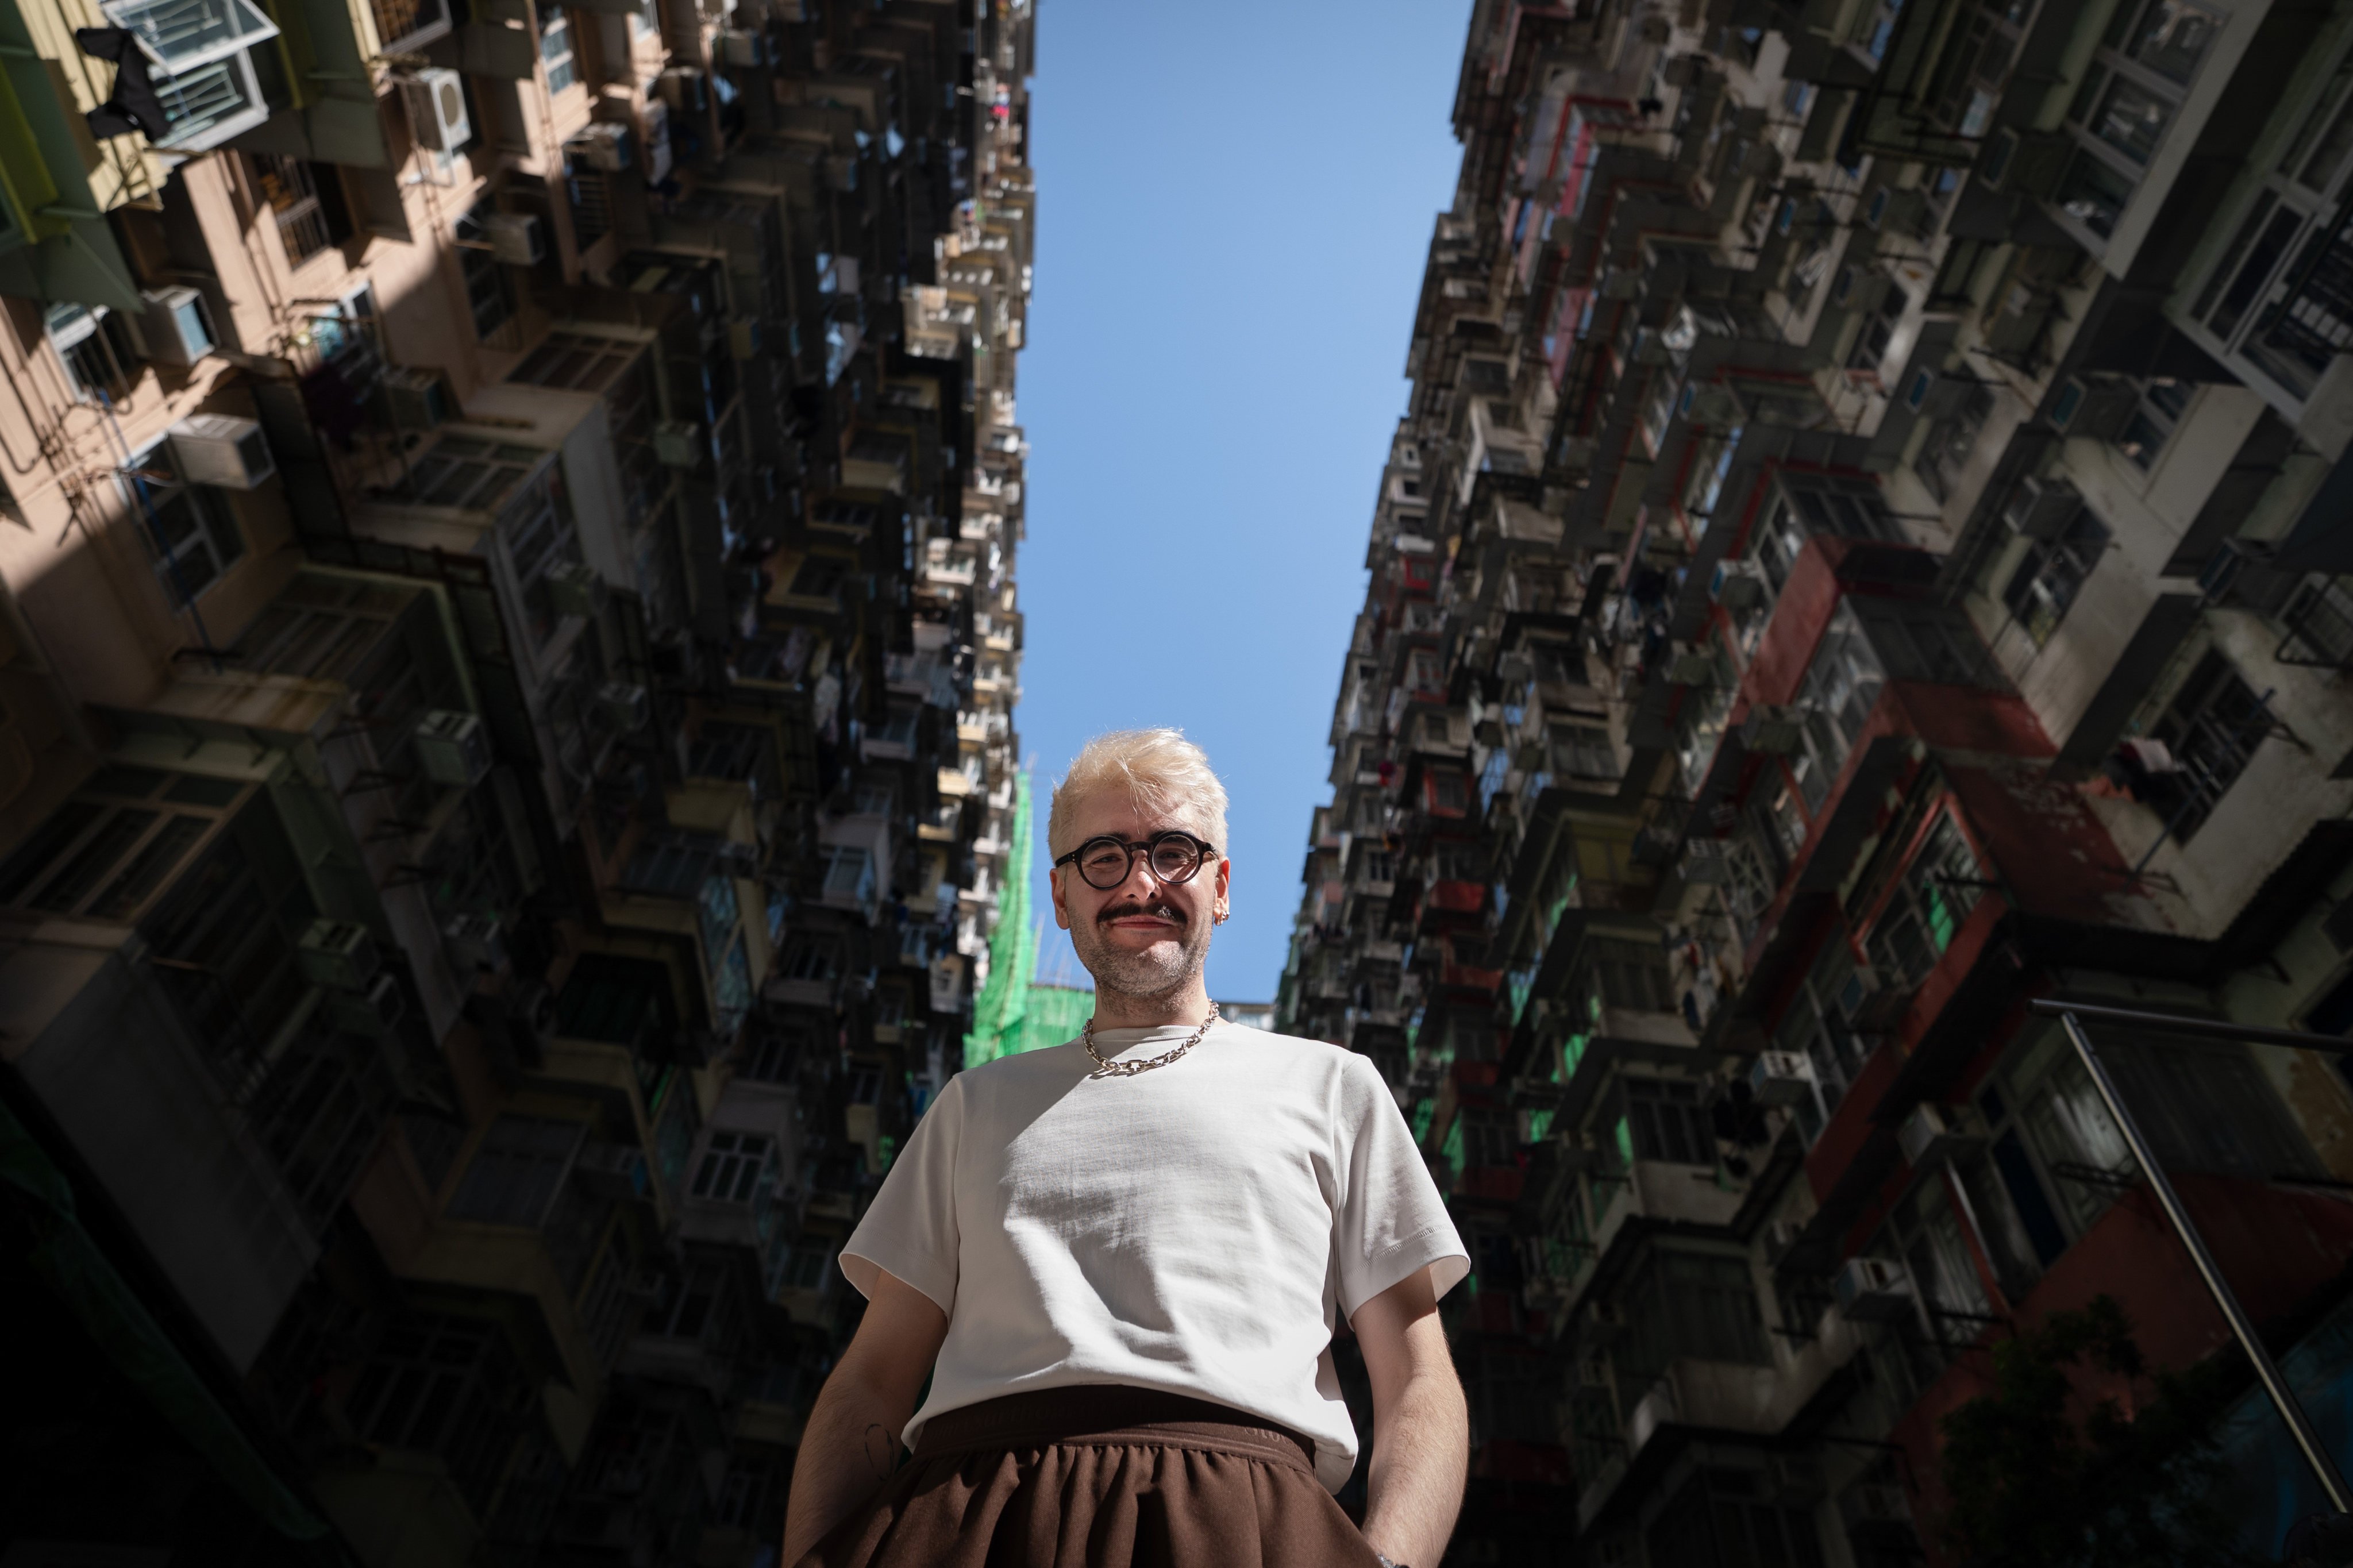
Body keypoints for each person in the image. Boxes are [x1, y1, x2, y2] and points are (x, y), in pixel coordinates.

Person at [782, 729, 1469, 1568]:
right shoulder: (972, 1105)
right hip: (965, 1518)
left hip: (1250, 1522)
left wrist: (1393, 1563)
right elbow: (871, 1380)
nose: (1142, 882)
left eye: (1174, 852)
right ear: (1061, 894)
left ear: (1219, 887)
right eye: (1105, 855)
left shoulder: (1335, 1087)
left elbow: (1419, 1380)